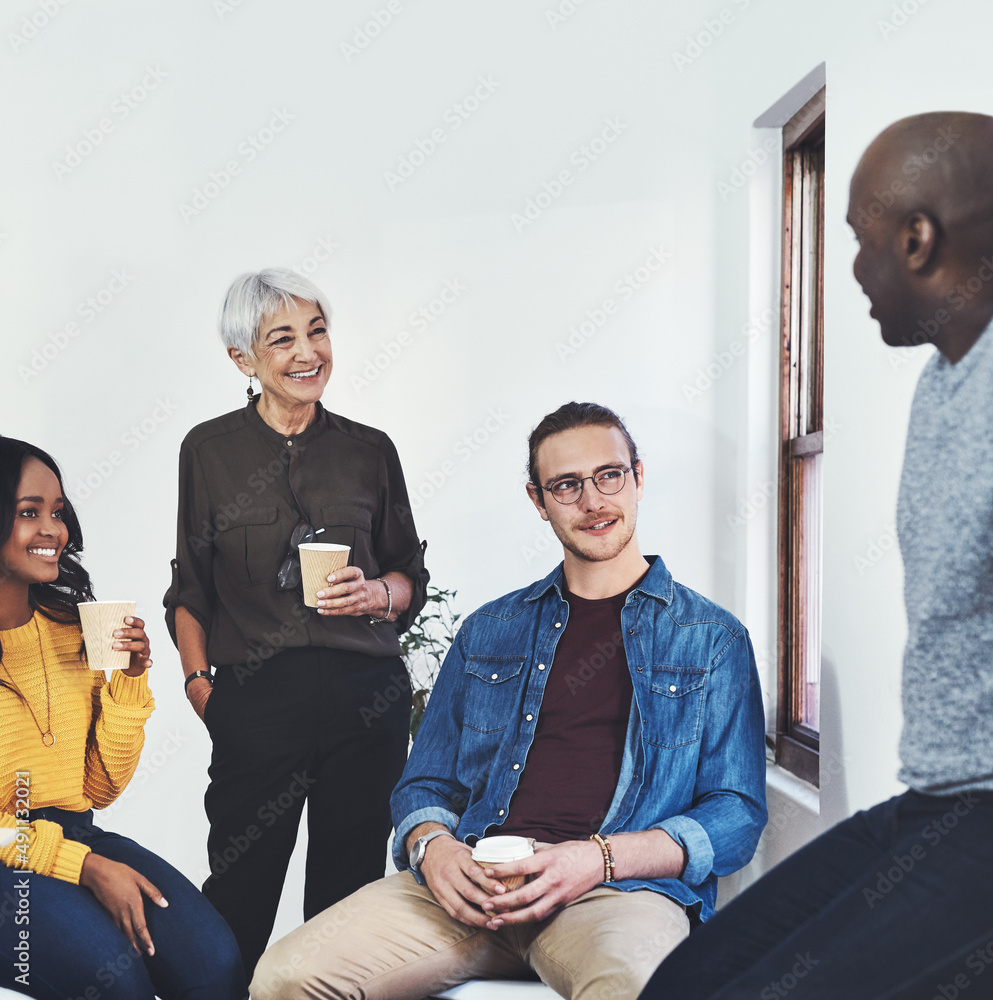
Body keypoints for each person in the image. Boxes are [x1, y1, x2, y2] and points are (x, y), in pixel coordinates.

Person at [640, 112, 993, 999]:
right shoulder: (947, 380)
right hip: (940, 799)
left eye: (858, 242)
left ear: (916, 240)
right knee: (686, 986)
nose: (853, 272)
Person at [251, 401, 767, 1000]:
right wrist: (434, 849)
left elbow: (735, 816)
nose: (594, 501)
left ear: (638, 478)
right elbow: (425, 784)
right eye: (566, 485)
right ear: (537, 500)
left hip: (613, 893)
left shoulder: (713, 638)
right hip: (470, 883)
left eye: (609, 476)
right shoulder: (489, 630)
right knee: (284, 978)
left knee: (636, 989)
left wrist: (597, 860)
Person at [164, 267, 429, 978]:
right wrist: (200, 687)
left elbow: (411, 575)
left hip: (364, 695)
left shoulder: (368, 450)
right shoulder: (208, 452)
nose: (308, 351)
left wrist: (379, 593)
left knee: (347, 905)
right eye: (281, 338)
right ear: (242, 360)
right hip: (258, 699)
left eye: (316, 331)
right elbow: (189, 589)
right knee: (236, 899)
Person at [0, 437, 245, 999]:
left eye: (57, 512)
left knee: (214, 965)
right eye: (28, 512)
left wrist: (129, 679)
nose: (53, 530)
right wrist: (83, 867)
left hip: (75, 831)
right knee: (114, 980)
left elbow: (98, 788)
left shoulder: (69, 629)